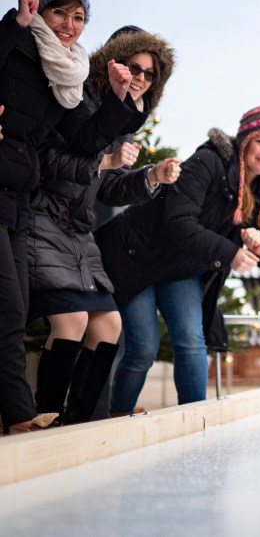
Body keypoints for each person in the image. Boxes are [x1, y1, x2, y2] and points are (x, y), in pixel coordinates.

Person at [0, 0, 137, 434]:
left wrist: (119, 100)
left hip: (20, 195)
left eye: (79, 17)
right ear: (40, 9)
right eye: (61, 12)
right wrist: (15, 23)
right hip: (35, 208)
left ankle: (64, 422)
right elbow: (72, 158)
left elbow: (83, 138)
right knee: (51, 317)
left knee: (31, 318)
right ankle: (35, 417)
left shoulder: (68, 72)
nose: (69, 24)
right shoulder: (20, 43)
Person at [27, 25, 182, 426]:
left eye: (150, 74)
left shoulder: (123, 126)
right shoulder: (79, 101)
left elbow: (108, 190)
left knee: (109, 325)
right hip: (44, 217)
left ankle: (78, 422)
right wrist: (105, 161)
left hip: (78, 231)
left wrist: (151, 177)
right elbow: (50, 162)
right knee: (72, 320)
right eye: (134, 68)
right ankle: (47, 416)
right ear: (114, 64)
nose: (141, 79)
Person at [96, 106, 260, 414]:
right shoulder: (209, 161)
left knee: (191, 341)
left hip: (182, 268)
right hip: (136, 257)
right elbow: (179, 221)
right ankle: (118, 417)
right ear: (245, 141)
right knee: (143, 348)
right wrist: (230, 253)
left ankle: (194, 420)